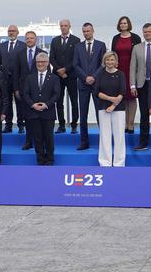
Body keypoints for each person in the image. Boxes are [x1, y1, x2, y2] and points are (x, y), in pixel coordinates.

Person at [72, 22, 106, 150]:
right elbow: (75, 65)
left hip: (97, 85)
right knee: (83, 114)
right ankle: (84, 142)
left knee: (100, 114)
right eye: (84, 31)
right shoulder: (78, 46)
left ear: (93, 31)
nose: (86, 33)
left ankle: (104, 140)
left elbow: (103, 64)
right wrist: (85, 77)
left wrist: (94, 77)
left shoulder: (101, 45)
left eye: (88, 31)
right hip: (83, 84)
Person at [22, 53, 61, 165]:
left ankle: (49, 159)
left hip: (48, 113)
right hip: (33, 113)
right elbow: (26, 93)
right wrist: (32, 105)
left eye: (43, 62)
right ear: (36, 63)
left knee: (48, 137)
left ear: (47, 63)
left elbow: (56, 94)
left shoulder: (54, 78)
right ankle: (40, 159)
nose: (41, 64)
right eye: (38, 62)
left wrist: (47, 104)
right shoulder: (30, 77)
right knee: (37, 138)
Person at [129, 23, 151, 151]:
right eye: (145, 32)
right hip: (142, 84)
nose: (147, 34)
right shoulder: (137, 48)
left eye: (149, 31)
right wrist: (132, 85)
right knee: (143, 115)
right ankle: (143, 142)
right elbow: (133, 67)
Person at [13, 31, 46, 150]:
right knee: (27, 117)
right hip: (23, 90)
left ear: (36, 39)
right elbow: (16, 72)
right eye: (27, 38)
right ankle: (28, 141)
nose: (29, 40)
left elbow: (48, 74)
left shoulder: (43, 53)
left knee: (39, 117)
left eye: (31, 38)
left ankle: (40, 141)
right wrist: (16, 88)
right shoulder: (19, 54)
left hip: (39, 89)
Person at [94, 51, 126, 167]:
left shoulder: (121, 74)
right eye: (107, 59)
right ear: (104, 61)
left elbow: (123, 92)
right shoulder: (100, 74)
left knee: (119, 136)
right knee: (104, 135)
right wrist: (110, 99)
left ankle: (119, 163)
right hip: (103, 108)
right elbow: (96, 92)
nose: (110, 62)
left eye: (112, 60)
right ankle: (105, 162)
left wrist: (113, 106)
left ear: (116, 61)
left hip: (119, 109)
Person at [111, 16, 142, 133]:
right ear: (119, 25)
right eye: (121, 23)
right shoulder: (115, 38)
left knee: (132, 98)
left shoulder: (135, 37)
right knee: (122, 97)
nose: (123, 25)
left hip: (132, 70)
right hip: (119, 71)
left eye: (125, 23)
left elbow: (139, 54)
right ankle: (124, 124)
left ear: (128, 24)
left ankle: (131, 124)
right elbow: (113, 54)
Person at [50, 19, 80, 134]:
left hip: (71, 75)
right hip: (57, 76)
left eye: (65, 26)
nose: (63, 27)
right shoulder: (55, 41)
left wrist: (65, 69)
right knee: (58, 100)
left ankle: (74, 125)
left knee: (74, 100)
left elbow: (76, 59)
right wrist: (59, 70)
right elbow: (52, 57)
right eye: (61, 26)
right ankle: (61, 125)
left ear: (69, 26)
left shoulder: (76, 40)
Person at [0, 25, 26, 133]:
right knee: (6, 102)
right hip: (4, 79)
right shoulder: (2, 46)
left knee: (20, 102)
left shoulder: (23, 45)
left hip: (18, 80)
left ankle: (21, 125)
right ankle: (8, 125)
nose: (11, 33)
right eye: (9, 31)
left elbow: (24, 64)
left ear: (17, 32)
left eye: (13, 31)